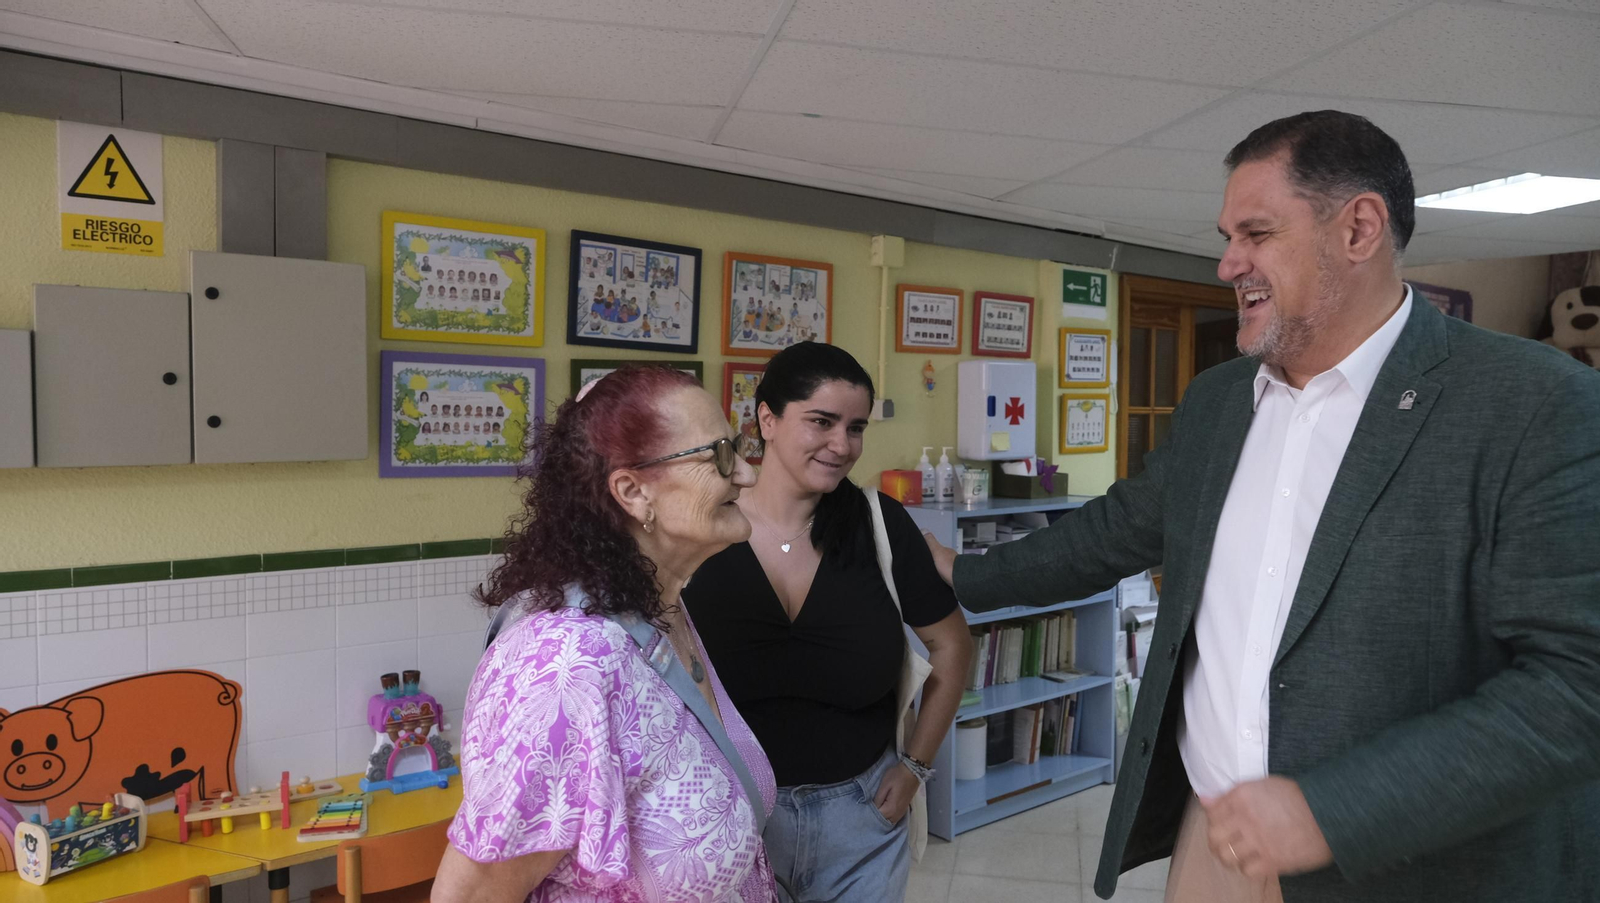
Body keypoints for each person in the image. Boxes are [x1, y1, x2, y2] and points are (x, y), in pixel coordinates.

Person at [923, 110, 1600, 903]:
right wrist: (957, 575)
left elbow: (1576, 685)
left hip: (1411, 869)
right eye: (1226, 234)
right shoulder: (1218, 403)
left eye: (1255, 233)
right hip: (1216, 846)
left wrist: (1334, 811)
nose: (1225, 263)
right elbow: (1117, 529)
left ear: (1358, 229)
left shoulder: (1537, 404)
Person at [434, 366, 779, 903]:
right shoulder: (572, 665)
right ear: (632, 490)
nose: (748, 475)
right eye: (719, 454)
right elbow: (470, 896)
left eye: (738, 446)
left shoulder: (660, 608)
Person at [685, 342, 972, 903]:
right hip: (729, 818)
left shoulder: (880, 525)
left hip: (861, 821)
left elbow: (954, 648)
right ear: (766, 419)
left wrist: (916, 765)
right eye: (821, 422)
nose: (842, 446)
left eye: (856, 427)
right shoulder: (702, 528)